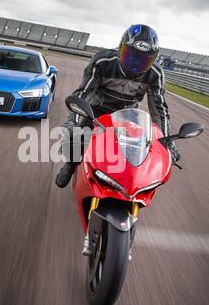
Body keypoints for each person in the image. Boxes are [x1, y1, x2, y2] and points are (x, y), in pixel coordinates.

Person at [55, 24, 181, 188]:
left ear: (153, 60)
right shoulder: (102, 61)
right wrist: (73, 122)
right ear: (121, 48)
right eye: (131, 56)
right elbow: (82, 94)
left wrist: (167, 141)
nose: (135, 64)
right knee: (77, 138)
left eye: (143, 60)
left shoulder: (155, 74)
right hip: (95, 110)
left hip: (128, 115)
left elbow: (159, 109)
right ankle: (70, 166)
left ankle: (131, 181)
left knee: (141, 149)